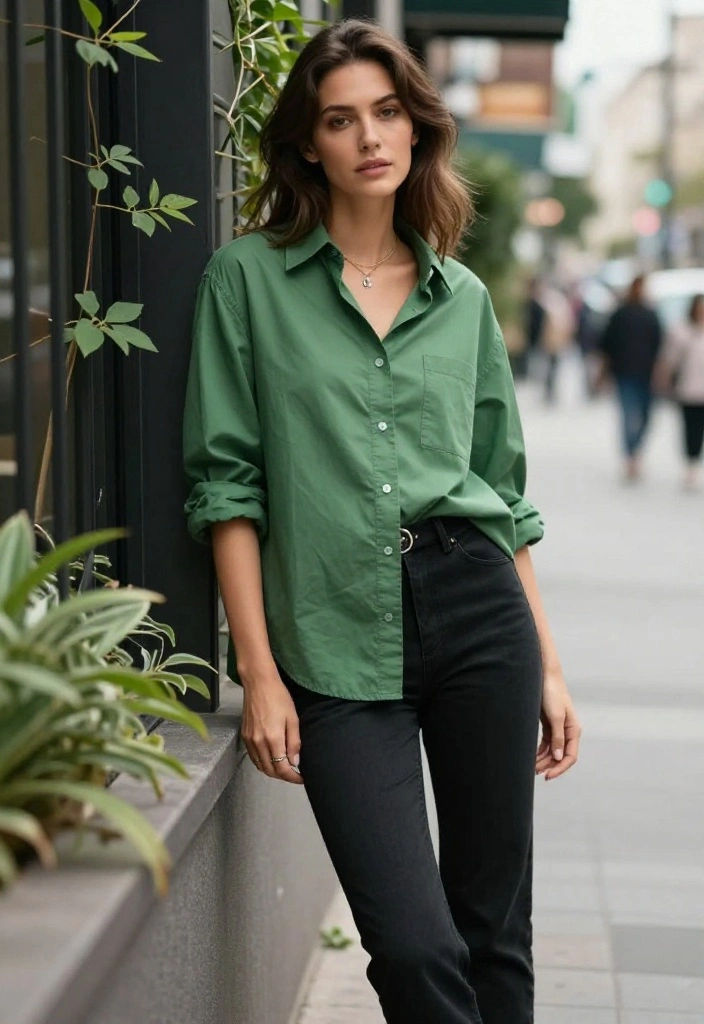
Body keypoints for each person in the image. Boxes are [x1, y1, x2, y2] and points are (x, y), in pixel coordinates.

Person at [182, 20, 580, 1024]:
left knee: (495, 930)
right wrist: (260, 673)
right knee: (413, 945)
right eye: (339, 118)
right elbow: (227, 486)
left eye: (387, 112)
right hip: (328, 632)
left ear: (416, 128)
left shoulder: (464, 301)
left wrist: (545, 661)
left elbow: (500, 494)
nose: (369, 137)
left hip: (476, 609)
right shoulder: (247, 282)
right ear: (306, 144)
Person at [599, 273, 663, 480]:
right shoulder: (620, 314)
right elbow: (607, 343)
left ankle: (634, 449)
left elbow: (660, 346)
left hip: (646, 374)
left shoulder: (651, 315)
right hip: (625, 373)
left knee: (645, 416)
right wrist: (605, 369)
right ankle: (630, 455)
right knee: (628, 415)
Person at [656, 293, 704, 491]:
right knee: (690, 429)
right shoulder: (681, 331)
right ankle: (691, 464)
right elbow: (670, 359)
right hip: (688, 390)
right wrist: (663, 379)